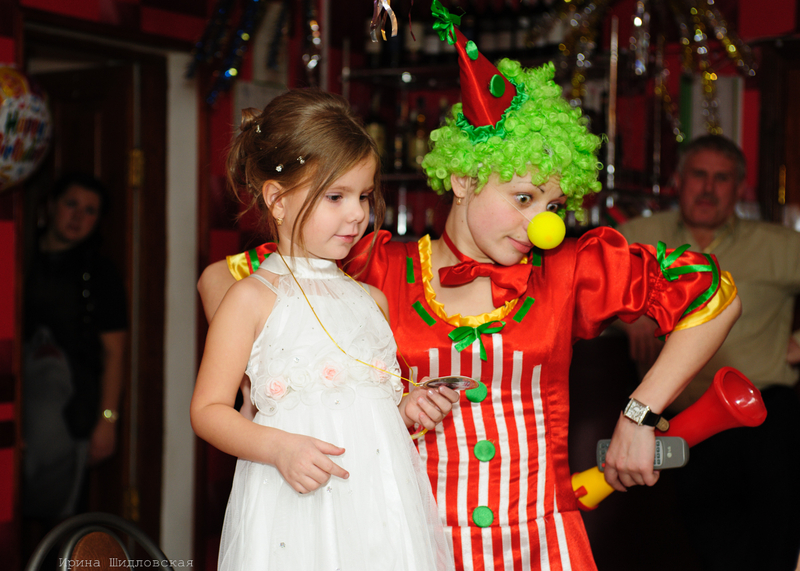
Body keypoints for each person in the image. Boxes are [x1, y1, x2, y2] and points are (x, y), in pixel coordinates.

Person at [197, 4, 741, 568]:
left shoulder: (571, 268)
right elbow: (224, 279)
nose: (543, 224)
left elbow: (715, 296)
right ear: (462, 180)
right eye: (523, 198)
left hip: (540, 544)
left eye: (553, 205)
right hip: (408, 536)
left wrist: (640, 415)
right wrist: (262, 389)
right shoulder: (370, 264)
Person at [190, 88, 458, 571]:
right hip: (295, 505)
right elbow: (208, 411)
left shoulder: (371, 300)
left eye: (363, 196)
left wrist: (406, 408)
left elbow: (365, 413)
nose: (356, 213)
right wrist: (279, 447)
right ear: (277, 200)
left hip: (377, 507)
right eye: (336, 197)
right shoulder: (251, 298)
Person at [617, 134, 800, 570]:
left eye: (722, 178)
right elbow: (580, 291)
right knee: (708, 541)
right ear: (678, 181)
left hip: (767, 416)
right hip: (682, 418)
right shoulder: (639, 238)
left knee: (777, 537)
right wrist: (629, 315)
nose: (708, 188)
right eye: (699, 175)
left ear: (740, 189)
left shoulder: (779, 245)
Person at [22, 174, 128, 539]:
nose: (78, 216)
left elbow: (114, 351)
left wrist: (108, 420)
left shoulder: (100, 273)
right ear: (51, 205)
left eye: (90, 210)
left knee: (58, 525)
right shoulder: (20, 256)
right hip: (17, 406)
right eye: (71, 204)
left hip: (72, 414)